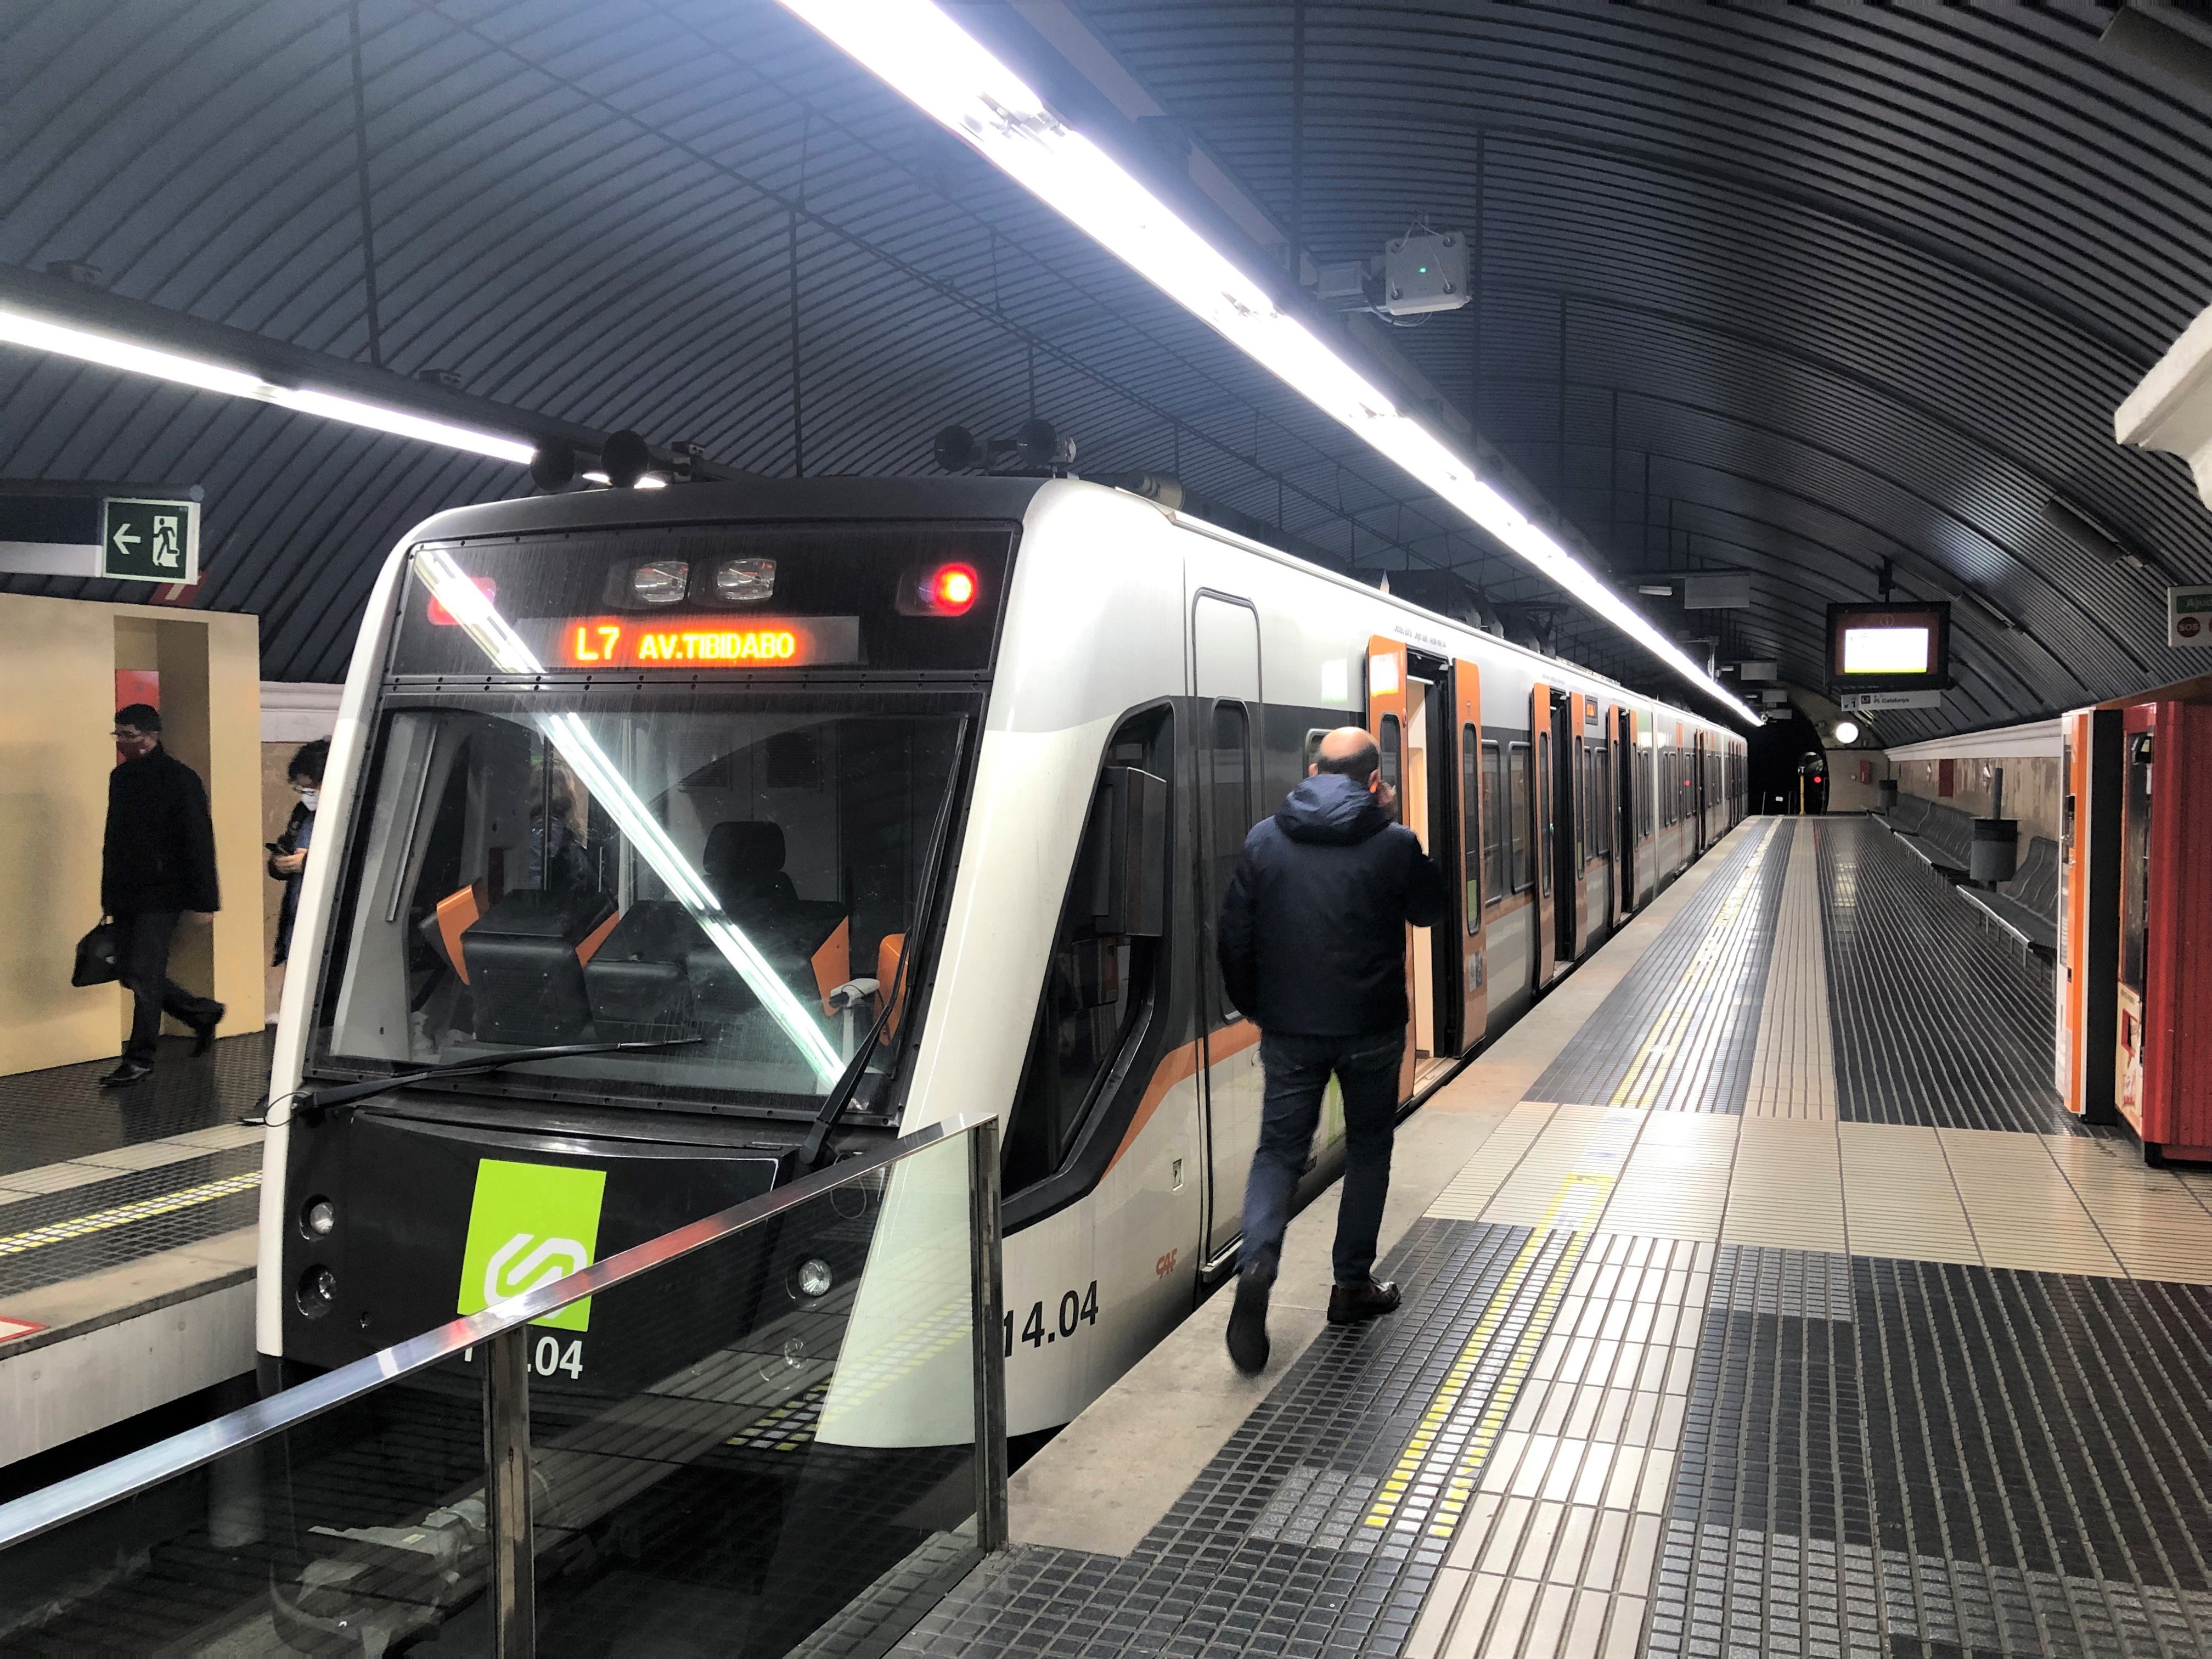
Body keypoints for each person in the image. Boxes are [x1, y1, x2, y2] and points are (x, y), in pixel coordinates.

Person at [1216, 725, 1448, 1374]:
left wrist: (1262, 1008)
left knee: (1278, 1151)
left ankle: (1259, 1256)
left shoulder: (1264, 838)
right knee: (1368, 1149)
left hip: (1291, 1029)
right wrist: (1394, 827)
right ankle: (1350, 1286)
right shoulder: (1394, 841)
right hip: (1372, 1029)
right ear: (1373, 780)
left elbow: (1232, 939)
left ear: (1313, 768)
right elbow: (1430, 911)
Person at [99, 704, 225, 1087]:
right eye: (118, 734)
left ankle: (139, 1058)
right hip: (127, 892)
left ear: (151, 736)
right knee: (128, 969)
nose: (122, 742)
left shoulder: (180, 779)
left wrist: (205, 902)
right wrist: (108, 897)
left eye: (128, 735)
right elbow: (114, 841)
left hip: (163, 892)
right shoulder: (119, 778)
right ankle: (201, 1012)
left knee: (144, 973)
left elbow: (198, 841)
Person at [268, 738, 327, 966]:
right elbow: (286, 843)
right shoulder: (303, 811)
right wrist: (279, 862)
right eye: (300, 788)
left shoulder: (356, 812)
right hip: (296, 921)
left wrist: (310, 863)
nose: (307, 795)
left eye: (311, 788)